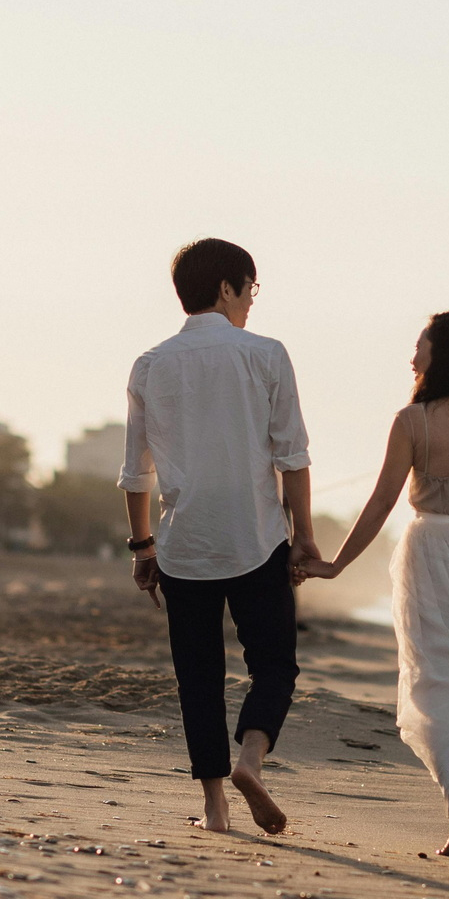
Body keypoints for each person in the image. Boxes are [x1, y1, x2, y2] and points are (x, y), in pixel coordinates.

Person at [298, 311, 449, 856]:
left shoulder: (413, 422)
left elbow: (383, 501)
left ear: (441, 355)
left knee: (437, 685)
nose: (412, 357)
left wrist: (336, 564)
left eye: (420, 345)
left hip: (433, 554)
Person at [120, 238, 316, 835]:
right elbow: (294, 457)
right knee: (275, 664)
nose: (252, 301)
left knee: (197, 675)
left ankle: (214, 807)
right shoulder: (265, 354)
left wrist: (143, 548)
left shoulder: (151, 364)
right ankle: (250, 760)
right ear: (227, 288)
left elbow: (136, 471)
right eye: (250, 288)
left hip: (184, 546)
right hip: (256, 537)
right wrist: (303, 538)